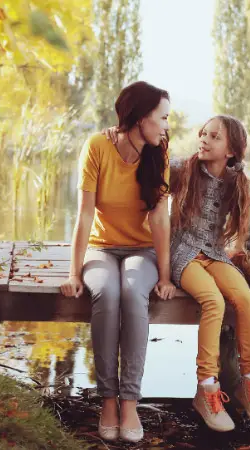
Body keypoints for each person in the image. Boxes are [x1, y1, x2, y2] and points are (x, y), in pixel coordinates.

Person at [60, 81, 176, 443]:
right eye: (163, 118)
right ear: (141, 118)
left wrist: (166, 275)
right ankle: (107, 401)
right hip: (102, 248)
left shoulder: (160, 152)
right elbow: (83, 214)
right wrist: (73, 272)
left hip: (142, 251)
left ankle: (129, 402)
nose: (166, 126)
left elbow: (160, 220)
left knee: (131, 292)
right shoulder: (96, 146)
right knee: (106, 294)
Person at [169, 115, 250, 432]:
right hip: (183, 254)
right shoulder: (182, 169)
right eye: (203, 134)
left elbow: (249, 224)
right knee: (214, 301)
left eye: (214, 136)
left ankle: (248, 384)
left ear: (231, 150)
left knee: (244, 299)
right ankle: (207, 388)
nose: (204, 139)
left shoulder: (235, 181)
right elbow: (150, 167)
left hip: (215, 253)